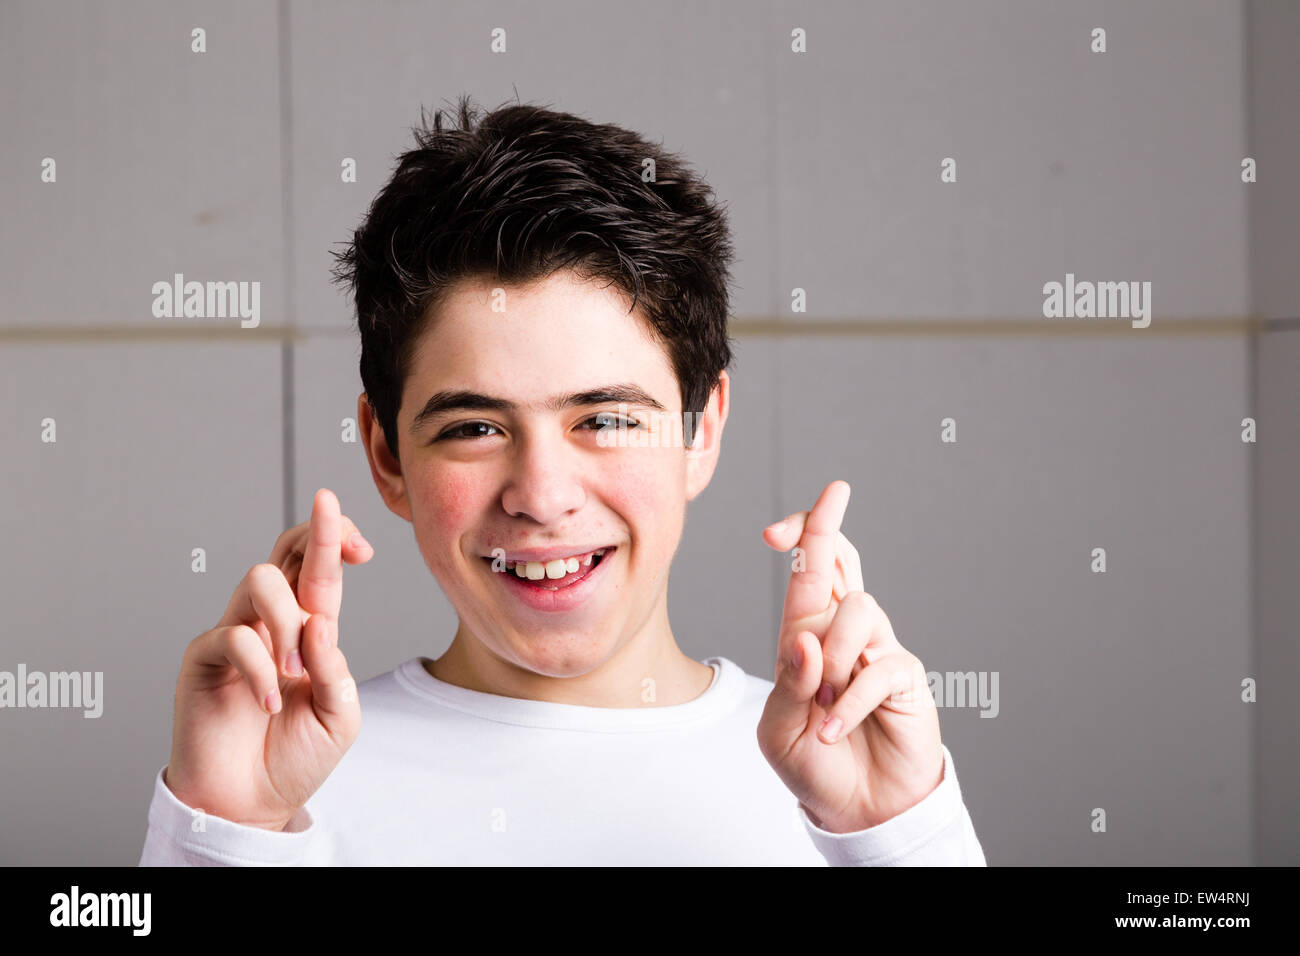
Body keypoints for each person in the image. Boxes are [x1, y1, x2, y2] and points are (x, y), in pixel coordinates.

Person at [139, 95, 986, 865]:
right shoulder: (282, 781)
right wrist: (226, 828)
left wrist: (899, 835)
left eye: (606, 420)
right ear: (387, 454)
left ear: (703, 428)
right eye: (475, 428)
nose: (542, 495)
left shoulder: (847, 777)